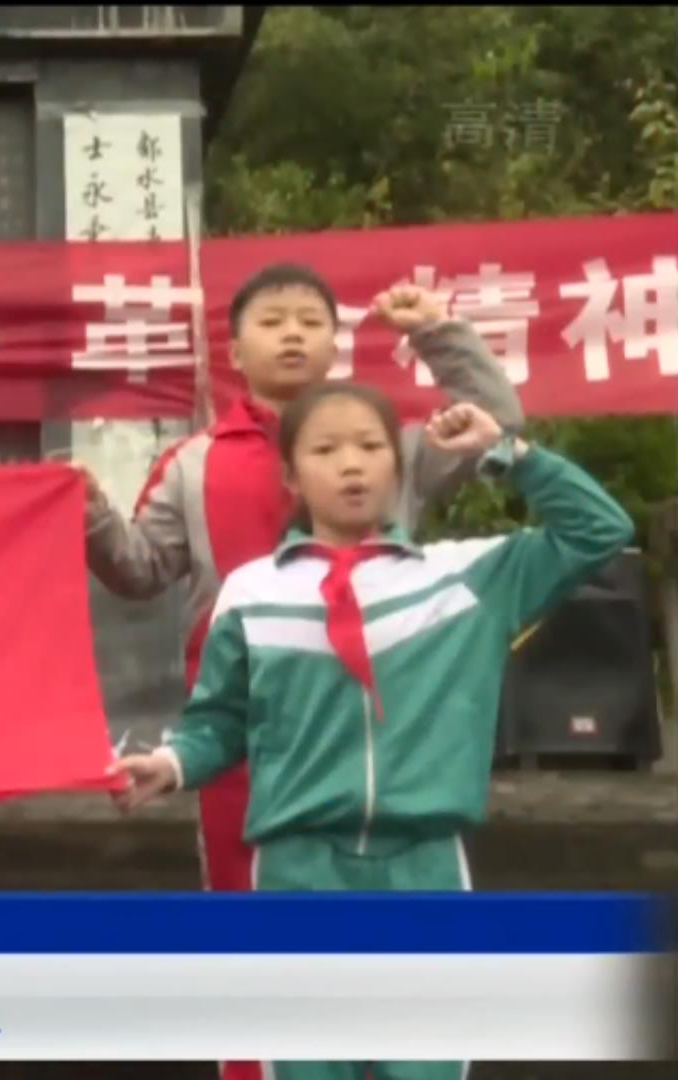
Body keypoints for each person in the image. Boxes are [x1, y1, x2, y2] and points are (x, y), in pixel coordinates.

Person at [108, 388, 633, 1080]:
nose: (351, 464)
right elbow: (222, 722)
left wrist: (504, 452)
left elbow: (599, 530)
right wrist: (172, 764)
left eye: (370, 446)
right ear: (291, 475)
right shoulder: (251, 592)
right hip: (297, 876)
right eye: (326, 450)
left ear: (398, 466)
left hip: (424, 871)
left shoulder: (466, 579)